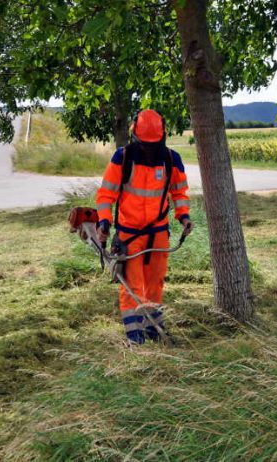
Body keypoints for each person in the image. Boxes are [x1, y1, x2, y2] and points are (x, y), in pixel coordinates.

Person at [95, 109, 193, 344]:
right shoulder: (123, 157)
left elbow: (179, 192)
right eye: (145, 143)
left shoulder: (171, 159)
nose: (149, 148)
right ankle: (134, 337)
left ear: (163, 136)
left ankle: (154, 329)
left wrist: (184, 216)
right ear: (134, 135)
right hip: (130, 236)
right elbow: (106, 194)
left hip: (158, 235)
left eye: (153, 143)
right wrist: (104, 221)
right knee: (132, 286)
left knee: (155, 284)